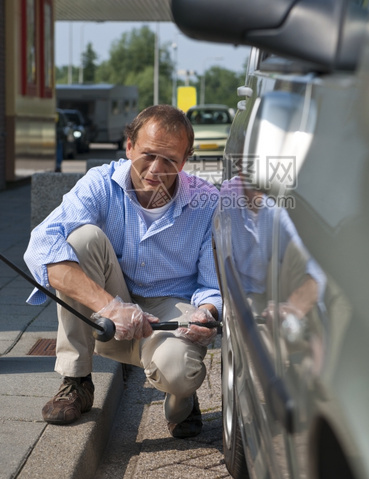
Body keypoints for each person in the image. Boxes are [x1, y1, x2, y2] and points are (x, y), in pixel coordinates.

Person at [24, 105, 221, 438]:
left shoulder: (208, 202)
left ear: (185, 160)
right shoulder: (100, 184)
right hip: (109, 311)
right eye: (148, 155)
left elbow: (210, 284)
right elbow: (41, 247)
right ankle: (76, 380)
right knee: (80, 239)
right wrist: (111, 306)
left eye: (170, 159)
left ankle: (181, 397)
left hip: (171, 309)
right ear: (129, 146)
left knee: (180, 371)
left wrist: (208, 312)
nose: (157, 169)